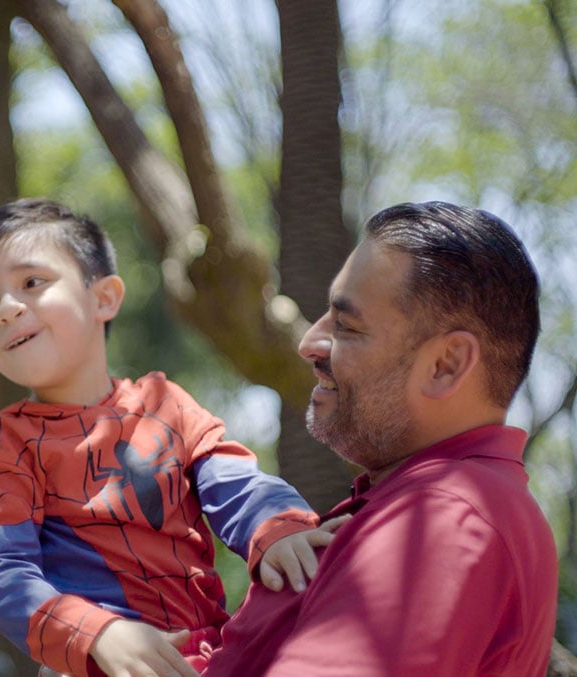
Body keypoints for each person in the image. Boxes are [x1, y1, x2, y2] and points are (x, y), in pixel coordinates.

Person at [0, 198, 340, 677]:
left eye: (31, 283)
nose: (7, 310)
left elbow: (235, 483)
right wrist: (93, 633)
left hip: (211, 657)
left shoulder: (165, 403)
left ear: (104, 297)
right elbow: (3, 571)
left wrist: (280, 527)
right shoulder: (8, 441)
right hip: (96, 664)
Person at [202, 201, 558, 676]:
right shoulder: (445, 502)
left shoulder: (444, 517)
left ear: (445, 364)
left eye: (346, 327)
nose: (310, 343)